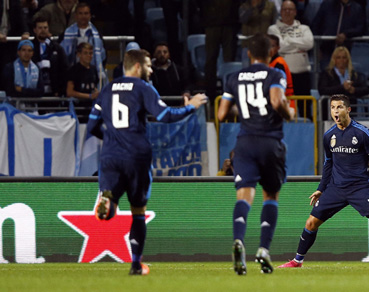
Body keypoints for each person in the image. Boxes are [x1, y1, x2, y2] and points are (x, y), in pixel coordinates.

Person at [87, 49, 207, 275]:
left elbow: (92, 127)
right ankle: (135, 265)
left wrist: (113, 138)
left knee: (111, 201)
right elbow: (164, 116)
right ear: (138, 67)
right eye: (149, 65)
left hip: (110, 155)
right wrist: (191, 105)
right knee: (138, 211)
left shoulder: (107, 89)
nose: (151, 70)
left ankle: (108, 202)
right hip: (136, 156)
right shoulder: (144, 88)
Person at [278, 94, 369, 269]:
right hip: (336, 188)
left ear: (348, 110)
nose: (335, 111)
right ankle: (297, 260)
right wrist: (321, 189)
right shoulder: (329, 136)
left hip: (359, 189)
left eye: (339, 107)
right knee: (310, 223)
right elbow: (328, 163)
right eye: (332, 107)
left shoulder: (363, 133)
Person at [217, 33, 292, 276]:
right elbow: (276, 100)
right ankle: (263, 249)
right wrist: (289, 112)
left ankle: (239, 240)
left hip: (245, 143)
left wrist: (244, 107)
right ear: (271, 52)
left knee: (244, 196)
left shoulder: (233, 77)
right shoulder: (275, 74)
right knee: (270, 195)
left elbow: (221, 114)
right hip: (270, 142)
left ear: (248, 53)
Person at [267, 0, 313, 118]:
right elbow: (280, 47)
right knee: (280, 107)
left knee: (305, 110)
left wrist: (288, 41)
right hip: (281, 75)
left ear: (295, 12)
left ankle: (307, 135)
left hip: (302, 74)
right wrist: (299, 47)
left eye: (290, 9)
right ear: (280, 12)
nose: (287, 12)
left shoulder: (304, 28)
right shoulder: (273, 29)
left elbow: (309, 43)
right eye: (284, 9)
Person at [198, 0, 240, 106]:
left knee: (229, 62)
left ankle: (230, 94)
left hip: (230, 22)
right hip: (211, 21)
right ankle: (211, 96)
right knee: (211, 60)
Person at [60, 2, 107, 86]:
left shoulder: (97, 34)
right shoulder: (66, 34)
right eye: (80, 13)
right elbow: (62, 57)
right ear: (76, 15)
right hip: (73, 74)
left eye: (86, 13)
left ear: (90, 15)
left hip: (92, 74)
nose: (83, 16)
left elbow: (103, 56)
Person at [318, 46, 369, 119]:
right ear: (334, 59)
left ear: (348, 59)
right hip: (331, 113)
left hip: (350, 112)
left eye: (344, 57)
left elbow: (366, 89)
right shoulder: (327, 74)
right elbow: (322, 90)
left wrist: (353, 90)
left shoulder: (353, 74)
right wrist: (342, 87)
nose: (341, 60)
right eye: (338, 58)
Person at [32, 16, 69, 97]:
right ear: (35, 30)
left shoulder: (57, 48)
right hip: (35, 92)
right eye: (40, 28)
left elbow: (64, 69)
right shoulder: (30, 48)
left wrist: (60, 90)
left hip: (54, 92)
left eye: (45, 27)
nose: (43, 30)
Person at [66, 42, 98, 122]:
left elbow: (95, 86)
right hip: (78, 111)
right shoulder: (73, 70)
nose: (89, 56)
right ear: (79, 54)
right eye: (85, 53)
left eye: (90, 53)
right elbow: (69, 92)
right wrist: (89, 96)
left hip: (91, 110)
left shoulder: (94, 69)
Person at [267, 34, 295, 113]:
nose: (270, 49)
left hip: (284, 104)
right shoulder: (267, 62)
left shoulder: (279, 63)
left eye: (272, 46)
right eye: (267, 46)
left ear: (278, 48)